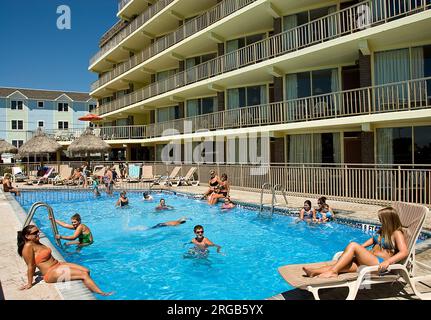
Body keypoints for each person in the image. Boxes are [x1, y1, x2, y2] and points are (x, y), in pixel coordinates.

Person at [302, 207, 409, 278]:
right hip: (367, 261)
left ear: (388, 220)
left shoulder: (396, 233)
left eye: (381, 219)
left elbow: (404, 252)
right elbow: (372, 240)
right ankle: (314, 272)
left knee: (353, 245)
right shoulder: (382, 230)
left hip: (379, 263)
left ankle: (332, 272)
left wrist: (388, 262)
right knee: (341, 265)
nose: (379, 220)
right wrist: (359, 249)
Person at [17, 225, 111, 295]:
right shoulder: (28, 246)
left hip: (58, 265)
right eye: (34, 233)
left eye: (38, 231)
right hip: (50, 272)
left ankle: (90, 292)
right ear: (27, 236)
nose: (38, 233)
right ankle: (102, 294)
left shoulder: (37, 241)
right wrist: (29, 283)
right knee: (83, 274)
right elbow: (30, 265)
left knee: (87, 270)